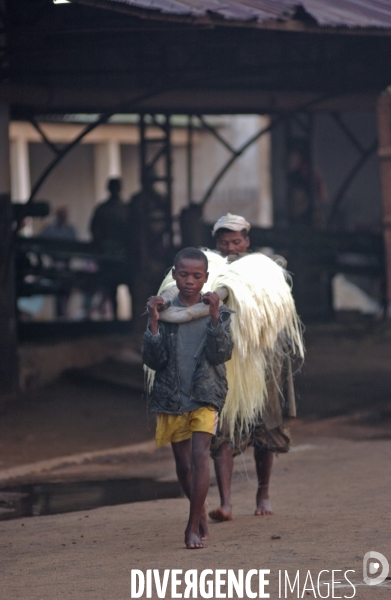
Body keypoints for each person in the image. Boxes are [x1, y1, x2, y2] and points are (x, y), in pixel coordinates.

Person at [142, 247, 233, 549]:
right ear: (174, 274)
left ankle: (192, 526)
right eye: (184, 275)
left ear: (206, 278)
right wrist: (154, 322)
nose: (190, 281)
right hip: (172, 398)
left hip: (205, 395)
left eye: (197, 276)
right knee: (183, 466)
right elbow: (154, 361)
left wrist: (216, 316)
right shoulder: (165, 312)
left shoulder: (217, 312)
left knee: (200, 457)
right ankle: (201, 514)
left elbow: (221, 354)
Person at [208, 213, 295, 521]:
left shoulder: (265, 269)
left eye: (236, 241)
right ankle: (226, 503)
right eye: (224, 242)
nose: (230, 247)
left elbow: (277, 311)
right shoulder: (209, 273)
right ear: (216, 243)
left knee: (265, 426)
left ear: (247, 240)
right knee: (223, 429)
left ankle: (264, 492)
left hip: (261, 354)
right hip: (227, 360)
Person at [90, 178, 129, 317]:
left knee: (113, 289)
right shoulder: (124, 209)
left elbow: (95, 232)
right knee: (114, 289)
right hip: (116, 256)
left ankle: (117, 319)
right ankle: (119, 320)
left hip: (116, 256)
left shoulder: (105, 209)